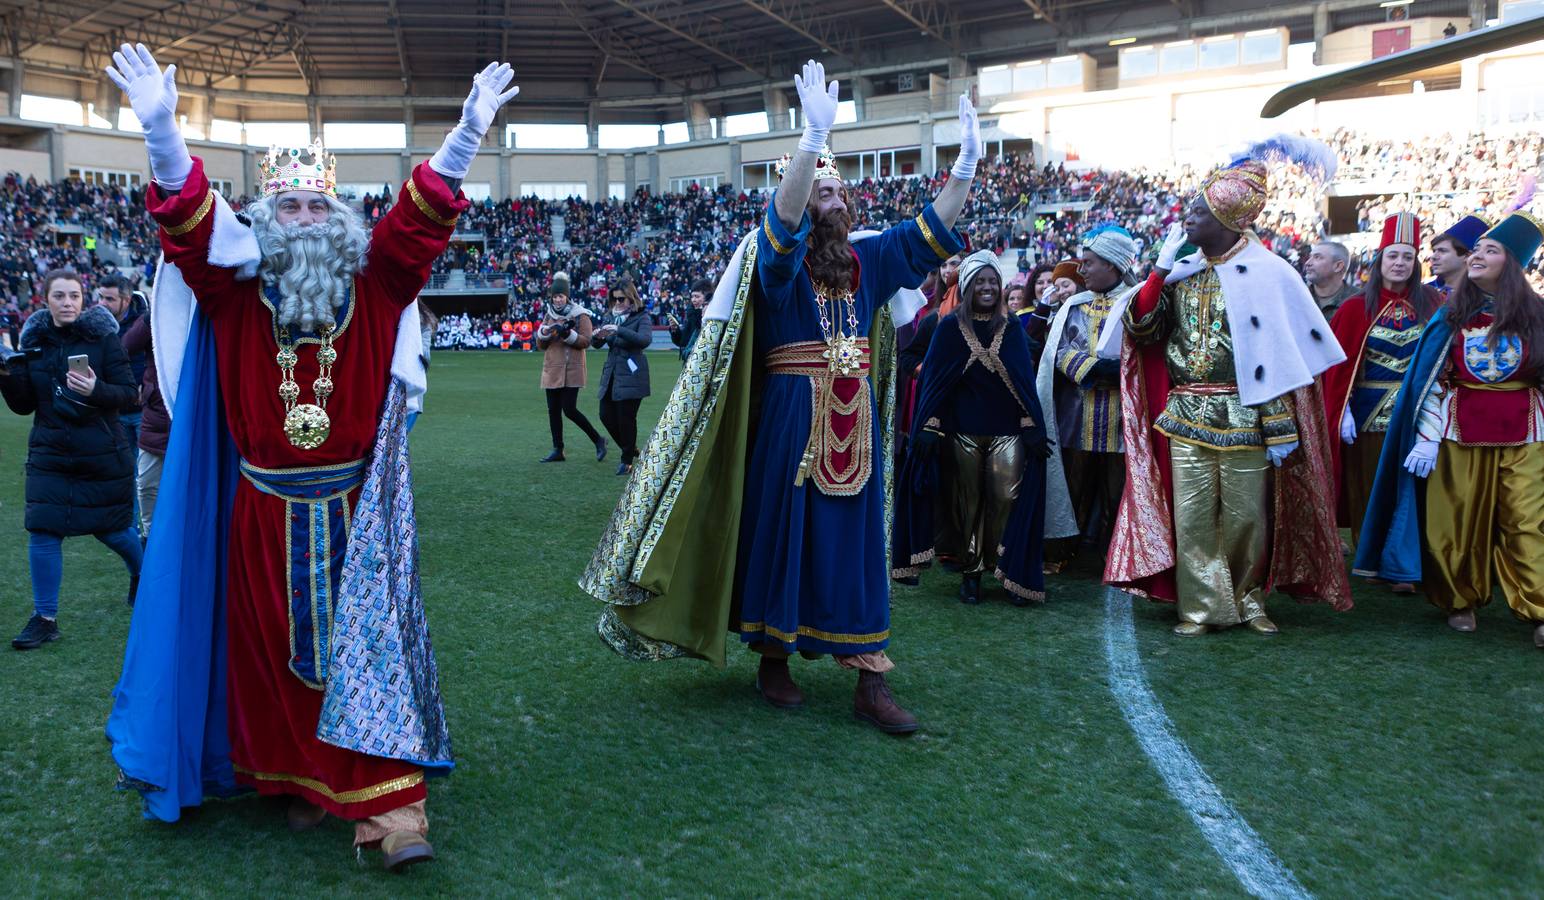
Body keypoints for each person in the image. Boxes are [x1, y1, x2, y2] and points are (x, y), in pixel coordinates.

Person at [102, 44, 509, 869]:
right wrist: (158, 132)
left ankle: (393, 816)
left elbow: (420, 221)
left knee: (370, 652)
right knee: (269, 658)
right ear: (265, 219)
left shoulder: (380, 282)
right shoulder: (234, 291)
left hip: (358, 513)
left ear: (342, 220)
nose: (305, 221)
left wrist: (466, 133)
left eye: (318, 209)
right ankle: (293, 779)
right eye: (288, 208)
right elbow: (186, 225)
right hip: (261, 510)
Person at [582, 60, 973, 735]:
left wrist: (963, 168)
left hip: (856, 424)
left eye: (839, 191)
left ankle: (870, 680)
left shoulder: (871, 260)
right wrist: (809, 142)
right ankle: (773, 656)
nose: (834, 199)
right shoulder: (778, 261)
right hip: (792, 417)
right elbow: (783, 228)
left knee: (856, 547)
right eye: (821, 192)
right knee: (784, 537)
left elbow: (930, 233)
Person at [1097, 139, 1352, 636]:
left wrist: (1280, 426)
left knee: (1247, 518)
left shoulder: (1271, 273)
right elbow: (1142, 330)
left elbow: (1277, 358)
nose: (1187, 219)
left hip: (1248, 415)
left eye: (1198, 212)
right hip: (1185, 413)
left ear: (1227, 220)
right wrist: (1158, 272)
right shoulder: (1181, 273)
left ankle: (1249, 599)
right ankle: (1201, 608)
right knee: (1191, 517)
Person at [1355, 212, 1544, 649]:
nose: (1476, 255)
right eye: (1476, 249)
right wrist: (1425, 436)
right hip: (1458, 430)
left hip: (1527, 431)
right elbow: (1431, 381)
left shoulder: (1537, 315)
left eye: (1489, 250)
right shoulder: (1452, 314)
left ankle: (1538, 607)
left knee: (1528, 522)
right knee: (1456, 520)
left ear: (1511, 263)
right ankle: (1460, 600)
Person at [893, 250, 1051, 606]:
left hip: (1006, 430)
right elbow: (935, 381)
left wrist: (1031, 425)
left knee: (1005, 498)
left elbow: (1022, 381)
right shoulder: (948, 327)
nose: (987, 287)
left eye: (993, 281)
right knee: (967, 503)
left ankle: (1006, 568)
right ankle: (972, 572)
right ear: (966, 286)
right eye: (980, 281)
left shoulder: (1010, 329)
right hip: (961, 430)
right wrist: (929, 426)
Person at [3, 270, 143, 649]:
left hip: (100, 452)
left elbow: (130, 394)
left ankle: (142, 573)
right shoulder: (34, 344)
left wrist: (96, 388)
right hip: (50, 452)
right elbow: (24, 404)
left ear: (83, 301)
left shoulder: (104, 339)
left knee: (112, 530)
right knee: (44, 530)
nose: (67, 303)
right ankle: (45, 618)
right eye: (59, 296)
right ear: (44, 299)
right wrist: (7, 375)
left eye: (74, 296)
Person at [1322, 213, 1441, 563]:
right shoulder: (1355, 307)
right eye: (1393, 255)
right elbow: (1337, 368)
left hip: (1417, 411)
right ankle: (1371, 553)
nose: (1400, 263)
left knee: (1413, 487)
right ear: (1380, 259)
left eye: (1407, 256)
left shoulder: (1434, 303)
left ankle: (1407, 558)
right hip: (1366, 412)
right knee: (1369, 486)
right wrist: (1341, 409)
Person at [1037, 228, 1136, 567]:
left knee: (1117, 492)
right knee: (1072, 487)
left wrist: (1120, 368)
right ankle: (1063, 554)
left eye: (1090, 263)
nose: (1082, 271)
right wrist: (1092, 369)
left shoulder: (1136, 302)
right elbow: (1057, 349)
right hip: (1076, 417)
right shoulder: (1075, 305)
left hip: (1121, 419)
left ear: (1113, 265)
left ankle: (1113, 558)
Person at [536, 271, 607, 463]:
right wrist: (546, 334)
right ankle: (558, 449)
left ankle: (598, 440)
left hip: (571, 369)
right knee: (553, 411)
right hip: (552, 369)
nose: (557, 300)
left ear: (567, 296)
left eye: (560, 296)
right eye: (555, 296)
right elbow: (540, 346)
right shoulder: (548, 315)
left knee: (569, 410)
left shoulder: (580, 315)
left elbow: (586, 341)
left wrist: (567, 334)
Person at [593, 278, 652, 475]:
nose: (618, 303)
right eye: (615, 299)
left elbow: (644, 340)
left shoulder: (642, 316)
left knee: (626, 418)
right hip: (612, 373)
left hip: (632, 373)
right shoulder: (610, 316)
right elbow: (597, 344)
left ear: (631, 298)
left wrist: (619, 329)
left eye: (622, 299)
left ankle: (626, 460)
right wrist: (598, 335)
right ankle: (630, 448)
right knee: (605, 415)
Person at [120, 310, 167, 538]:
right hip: (156, 418)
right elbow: (125, 348)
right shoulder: (155, 314)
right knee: (147, 486)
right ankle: (147, 543)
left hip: (195, 416)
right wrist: (150, 318)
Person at [1427, 214, 1490, 296]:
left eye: (1442, 251)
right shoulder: (1425, 292)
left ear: (1467, 256)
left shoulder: (1483, 298)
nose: (1433, 257)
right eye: (1434, 251)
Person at [1302, 241, 1358, 317]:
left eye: (1317, 257)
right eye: (1310, 257)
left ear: (1338, 266)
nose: (1307, 263)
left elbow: (1377, 328)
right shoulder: (1299, 295)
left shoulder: (1360, 301)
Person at [669, 279, 710, 361]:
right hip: (689, 362)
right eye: (692, 296)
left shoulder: (711, 316)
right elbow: (682, 341)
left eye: (697, 296)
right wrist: (675, 330)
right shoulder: (690, 314)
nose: (693, 300)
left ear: (707, 297)